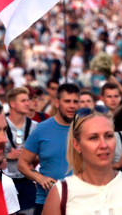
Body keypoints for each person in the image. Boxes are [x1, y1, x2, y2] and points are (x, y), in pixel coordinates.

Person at [41, 106, 122, 215]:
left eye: (108, 136)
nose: (103, 145)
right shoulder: (61, 193)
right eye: (93, 138)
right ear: (77, 145)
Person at [19, 83, 80, 215]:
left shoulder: (84, 128)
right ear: (57, 103)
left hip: (79, 202)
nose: (72, 105)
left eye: (75, 101)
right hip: (48, 201)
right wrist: (40, 178)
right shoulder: (42, 129)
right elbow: (22, 163)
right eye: (67, 101)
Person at [4, 87, 39, 215]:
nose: (27, 103)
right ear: (12, 104)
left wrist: (30, 156)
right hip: (5, 180)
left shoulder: (35, 127)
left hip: (27, 180)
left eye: (28, 100)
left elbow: (42, 155)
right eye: (23, 100)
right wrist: (8, 156)